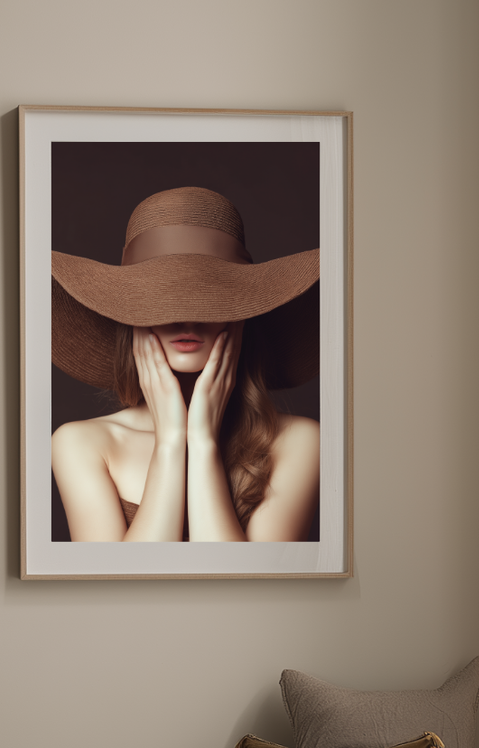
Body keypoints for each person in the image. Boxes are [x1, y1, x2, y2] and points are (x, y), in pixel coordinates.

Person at [49, 186, 321, 542]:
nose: (187, 318)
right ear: (130, 316)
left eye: (210, 299)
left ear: (243, 316)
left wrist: (203, 441)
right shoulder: (81, 444)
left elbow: (245, 591)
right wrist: (172, 442)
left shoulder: (298, 441)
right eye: (164, 299)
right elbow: (122, 590)